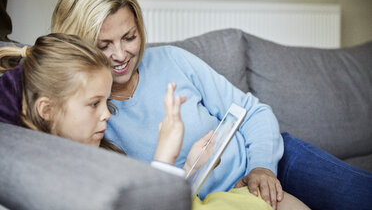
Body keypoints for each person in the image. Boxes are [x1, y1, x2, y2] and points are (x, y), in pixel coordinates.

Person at [1, 0, 371, 210]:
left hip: (274, 161)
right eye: (103, 44)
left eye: (130, 37)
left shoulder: (173, 61)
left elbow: (253, 111)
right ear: (78, 42)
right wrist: (193, 168)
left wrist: (262, 166)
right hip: (223, 201)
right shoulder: (84, 118)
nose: (120, 55)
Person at [0, 33, 309, 210]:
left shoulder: (83, 150)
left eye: (105, 102)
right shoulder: (46, 174)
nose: (107, 113)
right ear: (46, 110)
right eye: (94, 104)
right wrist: (165, 155)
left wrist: (192, 167)